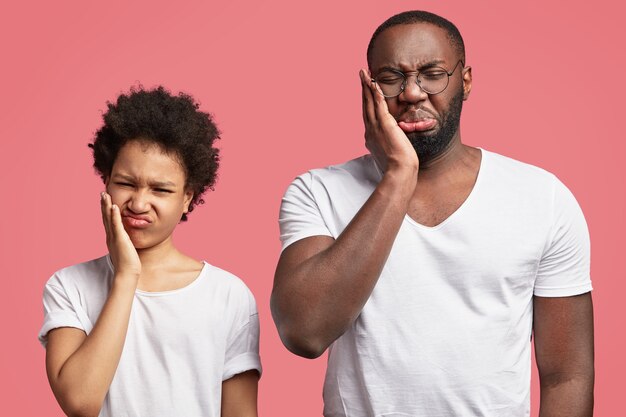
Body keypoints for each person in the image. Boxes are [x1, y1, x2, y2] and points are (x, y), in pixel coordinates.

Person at [271, 10, 594, 416]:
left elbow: (567, 375)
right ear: (370, 88)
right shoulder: (318, 191)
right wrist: (398, 175)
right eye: (390, 78)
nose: (411, 92)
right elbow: (305, 332)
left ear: (466, 81)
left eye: (432, 73)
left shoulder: (542, 197)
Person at [39, 86, 261, 417]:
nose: (139, 203)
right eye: (126, 183)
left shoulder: (228, 295)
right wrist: (127, 276)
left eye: (160, 189)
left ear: (187, 197)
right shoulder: (69, 286)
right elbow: (80, 402)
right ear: (106, 180)